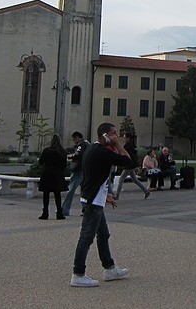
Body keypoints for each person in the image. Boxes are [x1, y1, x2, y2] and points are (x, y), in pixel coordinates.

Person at [71, 122, 135, 287]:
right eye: (114, 133)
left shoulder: (93, 149)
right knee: (86, 238)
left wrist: (105, 196)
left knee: (103, 235)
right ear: (104, 135)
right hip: (93, 203)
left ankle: (109, 268)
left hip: (94, 199)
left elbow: (93, 177)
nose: (117, 136)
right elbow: (129, 161)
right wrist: (118, 144)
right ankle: (78, 274)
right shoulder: (101, 152)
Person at [38, 134, 69, 220]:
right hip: (57, 174)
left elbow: (40, 161)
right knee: (57, 194)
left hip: (47, 174)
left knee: (46, 194)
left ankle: (45, 213)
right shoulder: (62, 151)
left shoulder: (46, 150)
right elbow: (64, 165)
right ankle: (59, 213)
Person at [62, 131, 89, 217]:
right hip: (85, 168)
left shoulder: (81, 144)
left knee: (71, 189)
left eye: (74, 139)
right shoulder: (87, 143)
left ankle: (65, 209)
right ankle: (86, 209)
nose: (74, 141)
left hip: (78, 169)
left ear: (77, 137)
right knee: (85, 189)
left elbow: (78, 154)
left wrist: (69, 156)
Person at [115, 134, 150, 199]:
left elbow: (131, 156)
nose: (124, 139)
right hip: (130, 165)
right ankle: (146, 191)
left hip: (129, 165)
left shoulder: (128, 146)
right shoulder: (130, 145)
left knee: (121, 179)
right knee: (135, 180)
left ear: (128, 138)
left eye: (125, 137)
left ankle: (117, 195)